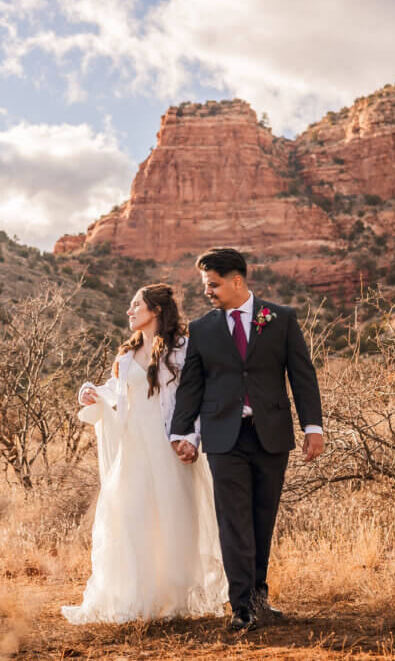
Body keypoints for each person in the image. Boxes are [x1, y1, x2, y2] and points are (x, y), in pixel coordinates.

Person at [169, 248, 324, 631]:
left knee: (262, 519)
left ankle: (259, 599)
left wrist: (313, 427)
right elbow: (191, 386)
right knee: (233, 521)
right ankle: (241, 608)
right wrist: (181, 432)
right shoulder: (201, 329)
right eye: (206, 285)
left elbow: (302, 375)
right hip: (224, 439)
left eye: (214, 284)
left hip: (271, 436)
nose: (208, 291)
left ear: (237, 280)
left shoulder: (281, 318)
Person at [62, 283, 227, 624]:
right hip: (133, 446)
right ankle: (137, 597)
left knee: (173, 516)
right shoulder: (125, 355)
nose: (129, 311)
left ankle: (173, 599)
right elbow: (117, 393)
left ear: (154, 310)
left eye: (136, 304)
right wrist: (90, 391)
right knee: (131, 516)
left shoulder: (182, 348)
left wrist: (191, 438)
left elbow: (194, 396)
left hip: (168, 443)